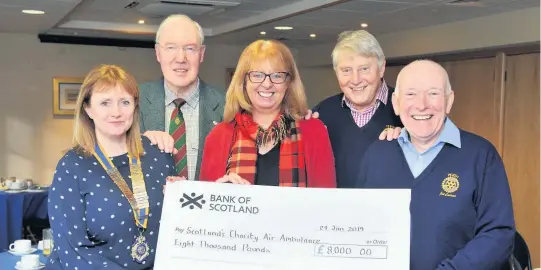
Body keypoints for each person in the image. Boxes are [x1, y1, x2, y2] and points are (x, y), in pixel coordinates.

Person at [356, 60, 515, 269]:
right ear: (396, 103)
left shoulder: (481, 156)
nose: (422, 104)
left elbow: (499, 234)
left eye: (433, 93)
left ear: (449, 101)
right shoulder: (377, 154)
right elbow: (358, 224)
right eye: (411, 94)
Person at [47, 65, 177, 269]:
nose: (116, 112)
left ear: (135, 107)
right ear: (88, 109)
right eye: (105, 103)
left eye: (124, 102)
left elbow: (175, 226)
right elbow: (73, 249)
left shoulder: (159, 155)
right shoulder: (72, 166)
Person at [199, 40, 336, 187]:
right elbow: (205, 205)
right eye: (257, 75)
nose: (267, 84)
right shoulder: (219, 135)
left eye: (277, 76)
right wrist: (221, 191)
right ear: (243, 82)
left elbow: (326, 203)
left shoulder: (313, 131)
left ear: (288, 83)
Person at [139, 14, 225, 180]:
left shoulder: (227, 104)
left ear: (201, 54)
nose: (180, 58)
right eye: (171, 48)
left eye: (190, 49)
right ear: (158, 53)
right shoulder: (133, 101)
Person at [312, 30, 402, 188]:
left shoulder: (408, 109)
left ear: (381, 68)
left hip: (389, 211)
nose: (355, 80)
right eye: (346, 70)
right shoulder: (322, 113)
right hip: (336, 211)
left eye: (364, 69)